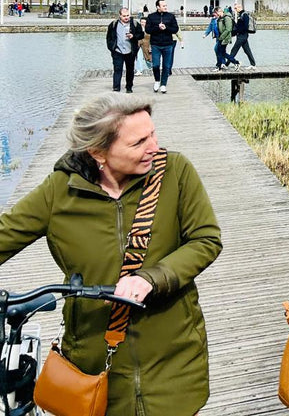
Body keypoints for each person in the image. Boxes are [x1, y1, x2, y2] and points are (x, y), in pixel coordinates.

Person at [0, 94, 222, 415]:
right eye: (138, 142)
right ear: (97, 152)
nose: (154, 147)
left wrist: (151, 279)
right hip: (93, 364)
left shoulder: (175, 172)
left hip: (173, 358)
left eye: (152, 134)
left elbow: (206, 239)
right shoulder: (60, 191)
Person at [145, 0, 179, 94]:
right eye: (163, 6)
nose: (165, 7)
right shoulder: (151, 17)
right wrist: (158, 27)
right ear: (158, 7)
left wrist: (166, 28)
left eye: (166, 5)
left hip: (168, 44)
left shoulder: (171, 16)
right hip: (155, 44)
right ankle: (157, 81)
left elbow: (175, 29)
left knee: (166, 66)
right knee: (155, 65)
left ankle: (163, 84)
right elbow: (148, 30)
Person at [106, 7, 144, 94]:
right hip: (117, 51)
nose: (126, 17)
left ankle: (129, 87)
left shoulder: (134, 24)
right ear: (120, 16)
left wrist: (133, 36)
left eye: (127, 15)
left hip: (130, 51)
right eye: (124, 16)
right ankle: (116, 88)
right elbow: (109, 37)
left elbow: (141, 35)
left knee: (130, 70)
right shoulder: (113, 24)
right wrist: (111, 48)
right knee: (117, 69)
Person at [226, 2, 257, 66]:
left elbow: (245, 26)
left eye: (236, 8)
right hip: (242, 36)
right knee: (247, 51)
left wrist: (239, 31)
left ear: (240, 7)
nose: (235, 9)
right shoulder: (240, 15)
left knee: (233, 50)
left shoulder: (244, 15)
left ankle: (226, 64)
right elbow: (239, 26)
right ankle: (253, 65)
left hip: (242, 36)